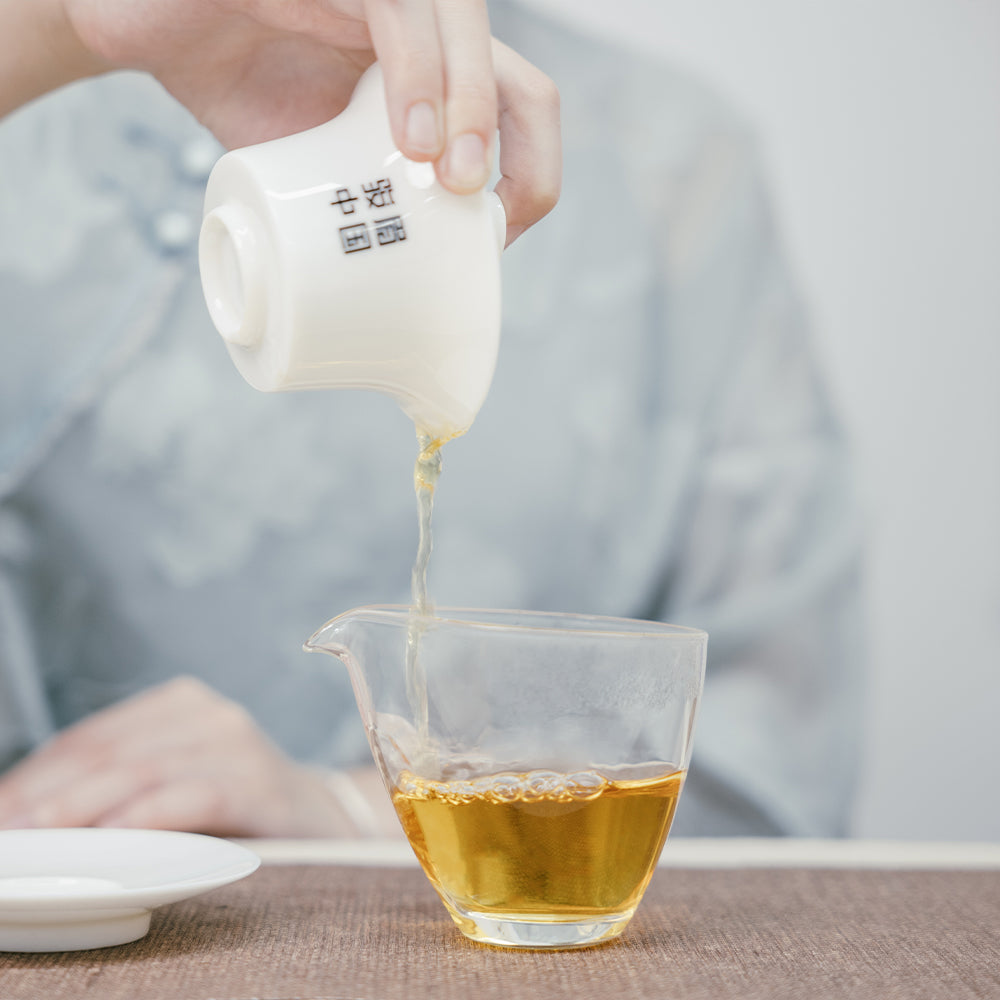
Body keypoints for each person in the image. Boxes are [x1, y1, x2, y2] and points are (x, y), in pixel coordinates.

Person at [0, 0, 864, 839]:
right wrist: (54, 29)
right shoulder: (55, 88)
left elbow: (776, 756)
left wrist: (348, 812)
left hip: (509, 942)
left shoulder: (673, 164)